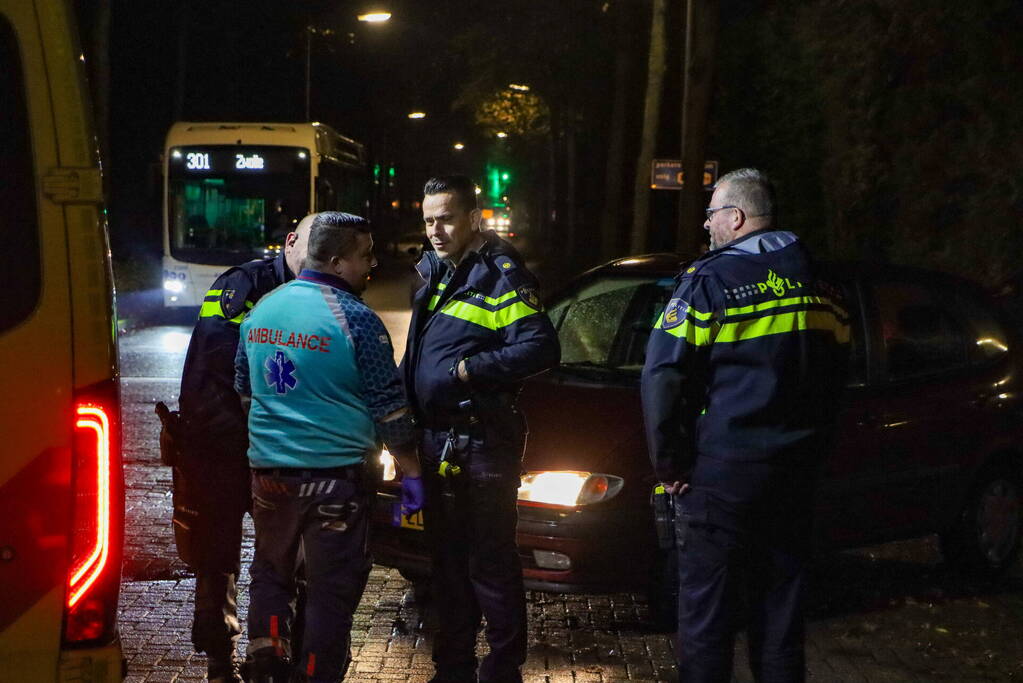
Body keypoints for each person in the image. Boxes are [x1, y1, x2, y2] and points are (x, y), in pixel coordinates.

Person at [641, 168, 850, 683]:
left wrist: (670, 463)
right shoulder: (822, 283)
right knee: (780, 616)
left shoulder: (709, 282)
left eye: (711, 214)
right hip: (795, 474)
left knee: (708, 619)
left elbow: (662, 375)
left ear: (735, 218)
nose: (706, 226)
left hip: (724, 475)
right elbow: (839, 375)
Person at [235, 211, 424, 683]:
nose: (372, 265)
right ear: (338, 261)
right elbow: (389, 409)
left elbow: (243, 386)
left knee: (271, 572)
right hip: (334, 481)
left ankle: (267, 654)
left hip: (270, 476)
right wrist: (413, 473)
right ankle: (316, 672)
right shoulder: (358, 320)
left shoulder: (264, 308)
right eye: (365, 255)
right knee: (330, 590)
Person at [401, 175, 560, 683]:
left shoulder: (499, 274)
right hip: (437, 439)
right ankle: (452, 667)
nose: (436, 229)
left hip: (481, 442)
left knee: (489, 563)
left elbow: (540, 347)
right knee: (446, 564)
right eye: (428, 220)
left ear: (474, 218)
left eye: (446, 218)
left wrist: (471, 371)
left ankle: (502, 668)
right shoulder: (433, 269)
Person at [167, 214, 313, 683]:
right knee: (216, 556)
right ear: (289, 243)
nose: (321, 262)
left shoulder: (319, 290)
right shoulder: (244, 283)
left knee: (285, 557)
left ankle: (271, 653)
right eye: (313, 249)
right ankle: (217, 659)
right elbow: (218, 358)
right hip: (221, 445)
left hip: (274, 447)